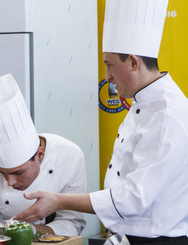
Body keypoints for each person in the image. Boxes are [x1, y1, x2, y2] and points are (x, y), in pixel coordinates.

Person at [15, 0, 188, 244]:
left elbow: (133, 199)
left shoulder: (168, 114)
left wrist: (59, 200)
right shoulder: (144, 103)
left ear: (133, 62)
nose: (107, 76)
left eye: (109, 65)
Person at [0, 73, 87, 236]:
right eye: (2, 173)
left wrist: (30, 231)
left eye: (18, 172)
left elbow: (71, 222)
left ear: (39, 154)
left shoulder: (70, 157)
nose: (10, 182)